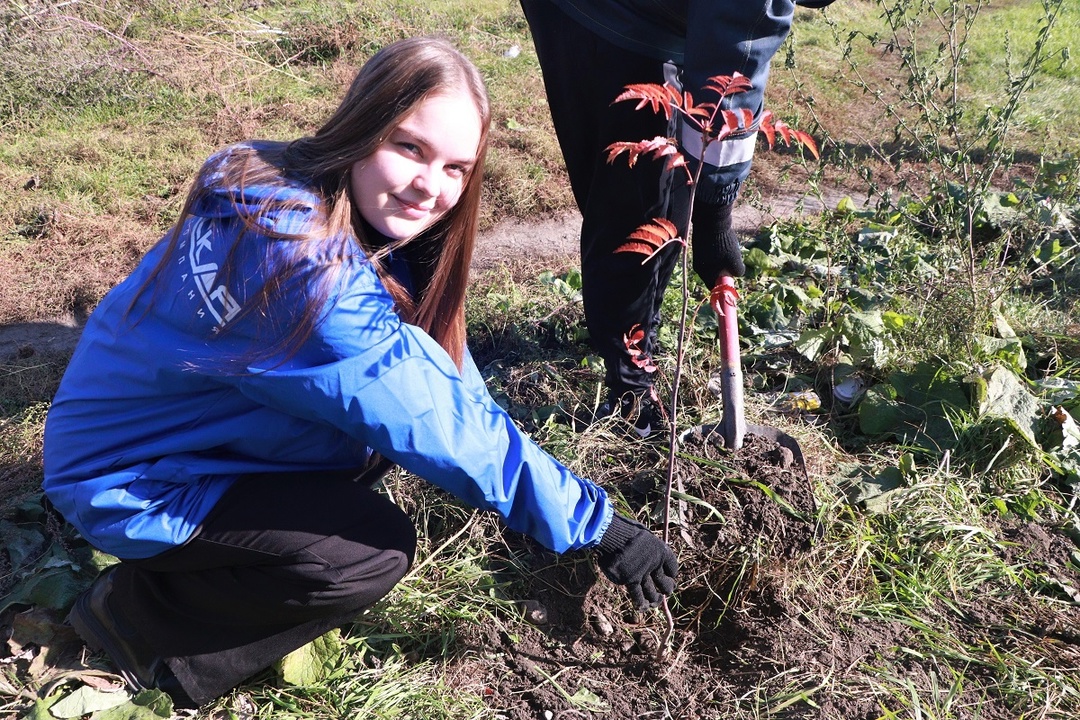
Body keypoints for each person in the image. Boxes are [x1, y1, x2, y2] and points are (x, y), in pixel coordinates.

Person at [42, 37, 678, 709]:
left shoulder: (280, 187)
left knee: (372, 443)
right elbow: (429, 415)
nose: (431, 186)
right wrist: (597, 524)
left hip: (148, 428)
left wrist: (525, 490)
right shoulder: (309, 276)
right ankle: (137, 626)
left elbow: (432, 376)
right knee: (365, 554)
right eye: (409, 147)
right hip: (125, 479)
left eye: (457, 167)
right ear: (362, 124)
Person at [518, 0, 834, 436]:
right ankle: (632, 395)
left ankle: (627, 341)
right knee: (641, 223)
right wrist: (715, 209)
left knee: (610, 187)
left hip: (567, 12)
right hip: (636, 28)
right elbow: (734, 52)